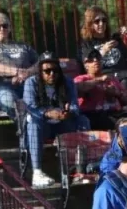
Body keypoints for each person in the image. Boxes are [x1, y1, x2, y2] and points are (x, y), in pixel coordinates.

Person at [23, 53, 89, 188]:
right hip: (43, 125)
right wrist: (48, 113)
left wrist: (69, 112)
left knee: (83, 120)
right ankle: (37, 172)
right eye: (47, 71)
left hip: (63, 123)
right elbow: (30, 107)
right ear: (40, 71)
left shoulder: (67, 82)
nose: (52, 74)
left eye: (55, 70)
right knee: (32, 124)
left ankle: (82, 169)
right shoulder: (31, 83)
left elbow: (75, 105)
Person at [77, 5, 127, 90]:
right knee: (126, 80)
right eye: (97, 21)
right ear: (90, 24)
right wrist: (103, 51)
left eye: (104, 20)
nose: (101, 24)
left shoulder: (114, 39)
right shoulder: (86, 44)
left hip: (126, 76)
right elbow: (88, 68)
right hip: (106, 79)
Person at [74, 50, 127, 131]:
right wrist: (99, 80)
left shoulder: (112, 79)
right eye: (91, 60)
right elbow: (79, 88)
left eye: (98, 58)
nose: (95, 60)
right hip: (92, 115)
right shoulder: (81, 78)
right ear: (86, 65)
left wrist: (117, 93)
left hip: (113, 114)